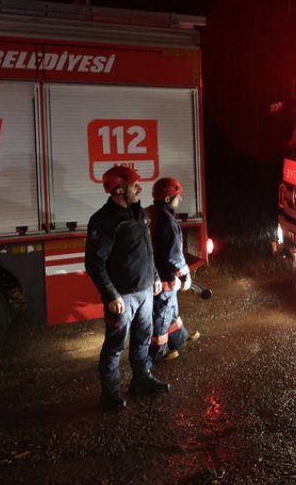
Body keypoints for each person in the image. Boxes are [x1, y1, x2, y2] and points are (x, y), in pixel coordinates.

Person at [86, 165, 170, 411]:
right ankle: (109, 393)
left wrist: (154, 275)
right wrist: (111, 295)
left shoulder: (139, 214)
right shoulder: (104, 221)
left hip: (145, 292)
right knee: (114, 345)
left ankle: (141, 380)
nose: (140, 188)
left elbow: (147, 251)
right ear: (120, 190)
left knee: (143, 339)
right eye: (135, 185)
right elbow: (94, 263)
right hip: (123, 297)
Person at [146, 177, 200, 362]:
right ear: (168, 199)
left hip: (157, 275)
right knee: (161, 316)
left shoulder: (151, 212)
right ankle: (159, 353)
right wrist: (185, 275)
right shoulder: (167, 220)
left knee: (171, 311)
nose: (181, 199)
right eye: (178, 196)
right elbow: (173, 256)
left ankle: (178, 339)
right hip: (164, 278)